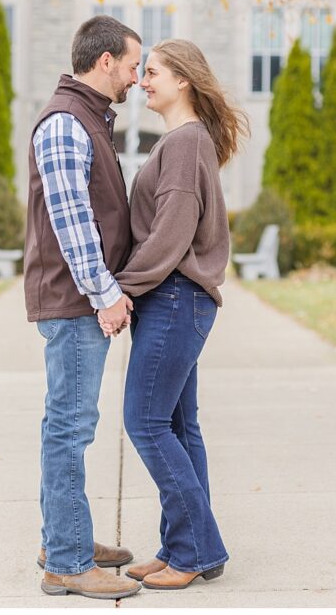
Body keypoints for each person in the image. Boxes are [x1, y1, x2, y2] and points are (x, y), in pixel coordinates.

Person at [97, 39, 249, 590]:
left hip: (175, 296)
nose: (142, 80)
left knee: (146, 422)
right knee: (179, 427)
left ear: (184, 80)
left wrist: (121, 289)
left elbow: (171, 234)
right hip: (178, 298)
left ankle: (197, 550)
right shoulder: (185, 141)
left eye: (153, 71)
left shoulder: (185, 143)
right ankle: (183, 548)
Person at [24, 15, 143, 599]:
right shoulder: (67, 124)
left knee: (66, 425)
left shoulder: (86, 118)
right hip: (75, 304)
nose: (135, 76)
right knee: (69, 430)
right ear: (104, 63)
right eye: (131, 65)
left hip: (75, 302)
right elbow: (73, 225)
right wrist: (107, 296)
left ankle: (64, 536)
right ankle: (68, 562)